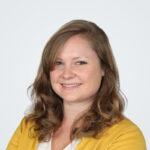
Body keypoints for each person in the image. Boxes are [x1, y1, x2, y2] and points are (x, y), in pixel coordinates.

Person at [6, 19, 147, 150]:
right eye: (58, 63)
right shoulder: (29, 127)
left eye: (80, 62)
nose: (67, 74)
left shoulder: (125, 136)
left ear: (103, 67)